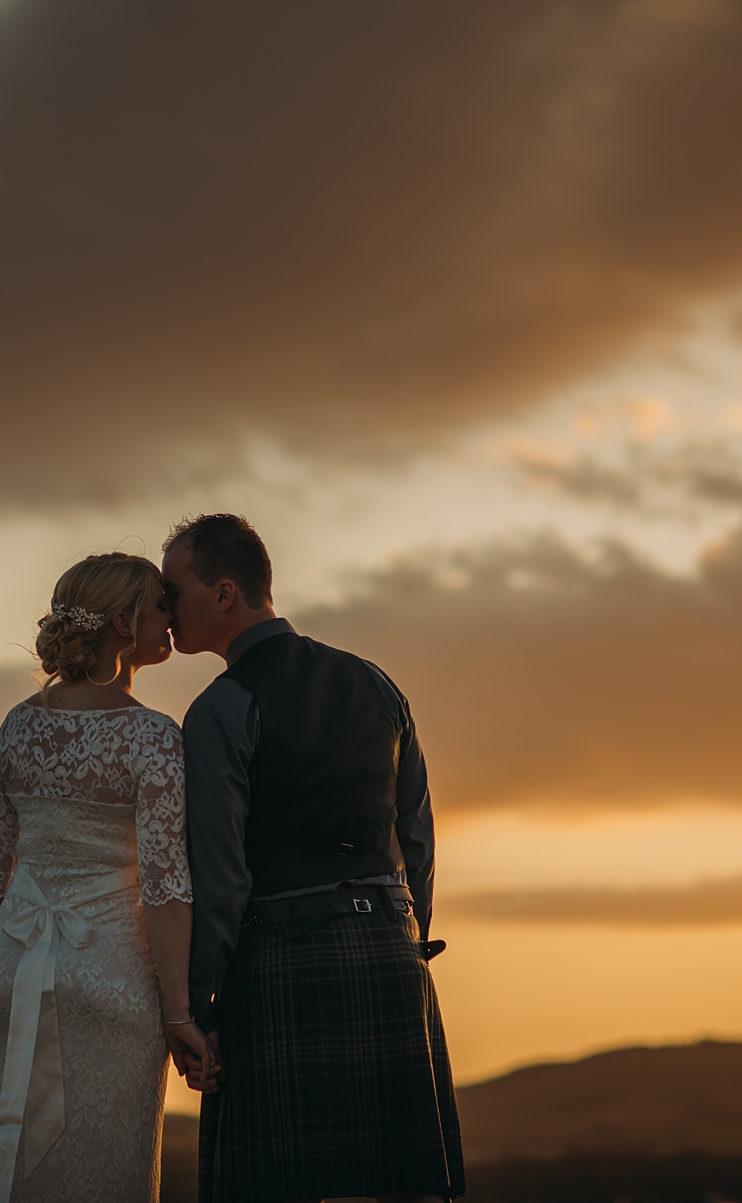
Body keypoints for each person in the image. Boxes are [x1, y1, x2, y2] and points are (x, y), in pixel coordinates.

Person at [164, 514, 466, 1203]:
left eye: (172, 591)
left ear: (223, 593)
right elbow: (415, 834)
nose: (164, 608)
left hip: (281, 953)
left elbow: (219, 872)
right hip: (392, 951)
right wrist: (407, 939)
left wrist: (202, 1000)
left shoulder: (220, 709)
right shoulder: (376, 681)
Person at [0, 552, 213, 1203]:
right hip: (110, 988)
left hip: (6, 984)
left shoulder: (15, 729)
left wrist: (10, 964)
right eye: (160, 605)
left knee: (8, 1175)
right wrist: (180, 1011)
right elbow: (163, 885)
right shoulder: (153, 738)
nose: (170, 618)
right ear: (124, 624)